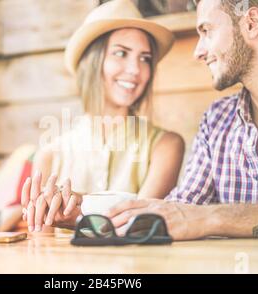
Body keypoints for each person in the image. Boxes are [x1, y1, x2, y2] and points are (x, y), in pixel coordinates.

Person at [106, 0, 258, 240]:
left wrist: (212, 217)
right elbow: (179, 211)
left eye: (206, 31)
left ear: (251, 23)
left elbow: (195, 216)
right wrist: (83, 214)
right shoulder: (216, 120)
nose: (198, 52)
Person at [21, 0, 185, 232]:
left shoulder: (166, 146)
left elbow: (137, 222)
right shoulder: (49, 155)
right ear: (93, 61)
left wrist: (81, 207)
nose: (135, 70)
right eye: (121, 53)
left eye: (145, 58)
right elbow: (42, 245)